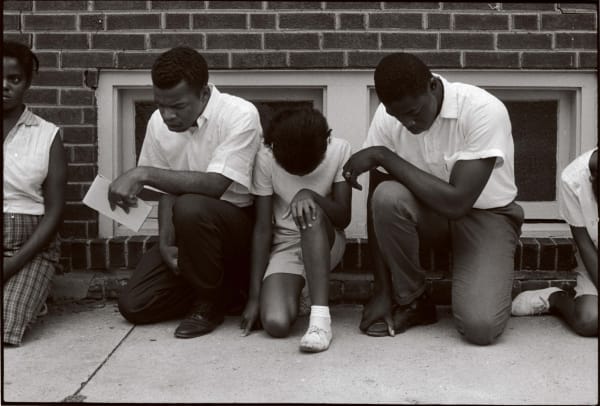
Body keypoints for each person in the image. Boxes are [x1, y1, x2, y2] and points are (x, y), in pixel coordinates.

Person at [343, 52, 524, 345]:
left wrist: (383, 155)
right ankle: (414, 300)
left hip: (487, 215)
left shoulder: (482, 109)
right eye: (397, 115)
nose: (408, 123)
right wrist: (382, 291)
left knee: (481, 328)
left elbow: (458, 203)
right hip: (429, 215)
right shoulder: (388, 117)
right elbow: (377, 204)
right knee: (386, 195)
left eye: (414, 112)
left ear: (432, 86)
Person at [111, 47, 261, 338]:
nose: (167, 115)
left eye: (177, 106)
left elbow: (216, 185)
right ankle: (224, 289)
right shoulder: (158, 121)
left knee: (192, 206)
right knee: (134, 305)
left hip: (236, 229)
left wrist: (142, 173)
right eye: (160, 104)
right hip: (188, 231)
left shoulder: (240, 115)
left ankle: (210, 302)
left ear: (204, 94)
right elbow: (166, 190)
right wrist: (166, 243)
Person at [240, 108, 352, 352]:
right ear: (273, 148)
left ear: (326, 142)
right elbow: (262, 229)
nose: (300, 174)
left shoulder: (339, 149)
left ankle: (320, 322)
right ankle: (303, 290)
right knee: (275, 323)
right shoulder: (266, 157)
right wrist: (254, 297)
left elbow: (343, 218)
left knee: (309, 212)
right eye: (292, 169)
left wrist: (310, 194)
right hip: (287, 245)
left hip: (325, 238)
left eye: (309, 168)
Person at [3, 41, 67, 346]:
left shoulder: (47, 134)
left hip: (31, 247)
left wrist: (12, 264)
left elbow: (54, 212)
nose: (4, 86)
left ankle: (25, 293)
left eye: (14, 79)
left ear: (27, 83)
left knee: (6, 324)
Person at [512, 148, 597, 337]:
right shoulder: (573, 179)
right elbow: (584, 244)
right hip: (594, 256)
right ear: (593, 177)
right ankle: (556, 298)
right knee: (589, 320)